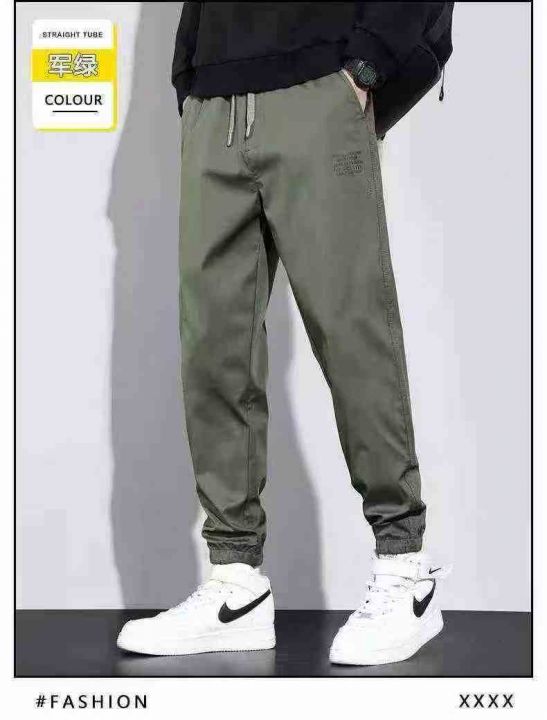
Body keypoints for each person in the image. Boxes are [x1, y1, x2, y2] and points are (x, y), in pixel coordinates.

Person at [117, 2, 453, 665]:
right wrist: (189, 70)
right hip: (215, 97)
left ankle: (403, 567)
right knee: (213, 346)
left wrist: (368, 63)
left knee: (350, 329)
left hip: (317, 82)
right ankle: (235, 582)